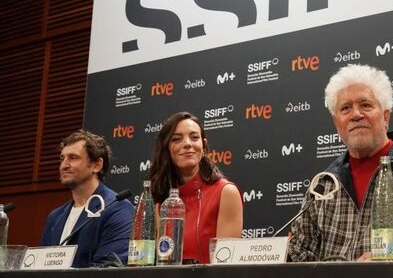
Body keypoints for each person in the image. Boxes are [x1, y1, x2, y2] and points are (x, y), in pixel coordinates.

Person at [288, 64, 393, 261]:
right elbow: (298, 260)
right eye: (345, 108)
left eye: (365, 105)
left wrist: (390, 267)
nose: (356, 115)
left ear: (386, 116)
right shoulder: (323, 185)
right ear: (337, 123)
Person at [149, 111, 242, 264]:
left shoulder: (226, 192)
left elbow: (226, 267)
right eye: (177, 139)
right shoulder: (162, 203)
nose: (187, 144)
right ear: (166, 148)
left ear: (203, 146)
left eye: (194, 137)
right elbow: (163, 263)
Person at [40, 130, 133, 267]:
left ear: (97, 165)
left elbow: (108, 269)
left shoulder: (118, 209)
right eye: (62, 158)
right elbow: (40, 268)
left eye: (73, 158)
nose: (64, 165)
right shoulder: (54, 217)